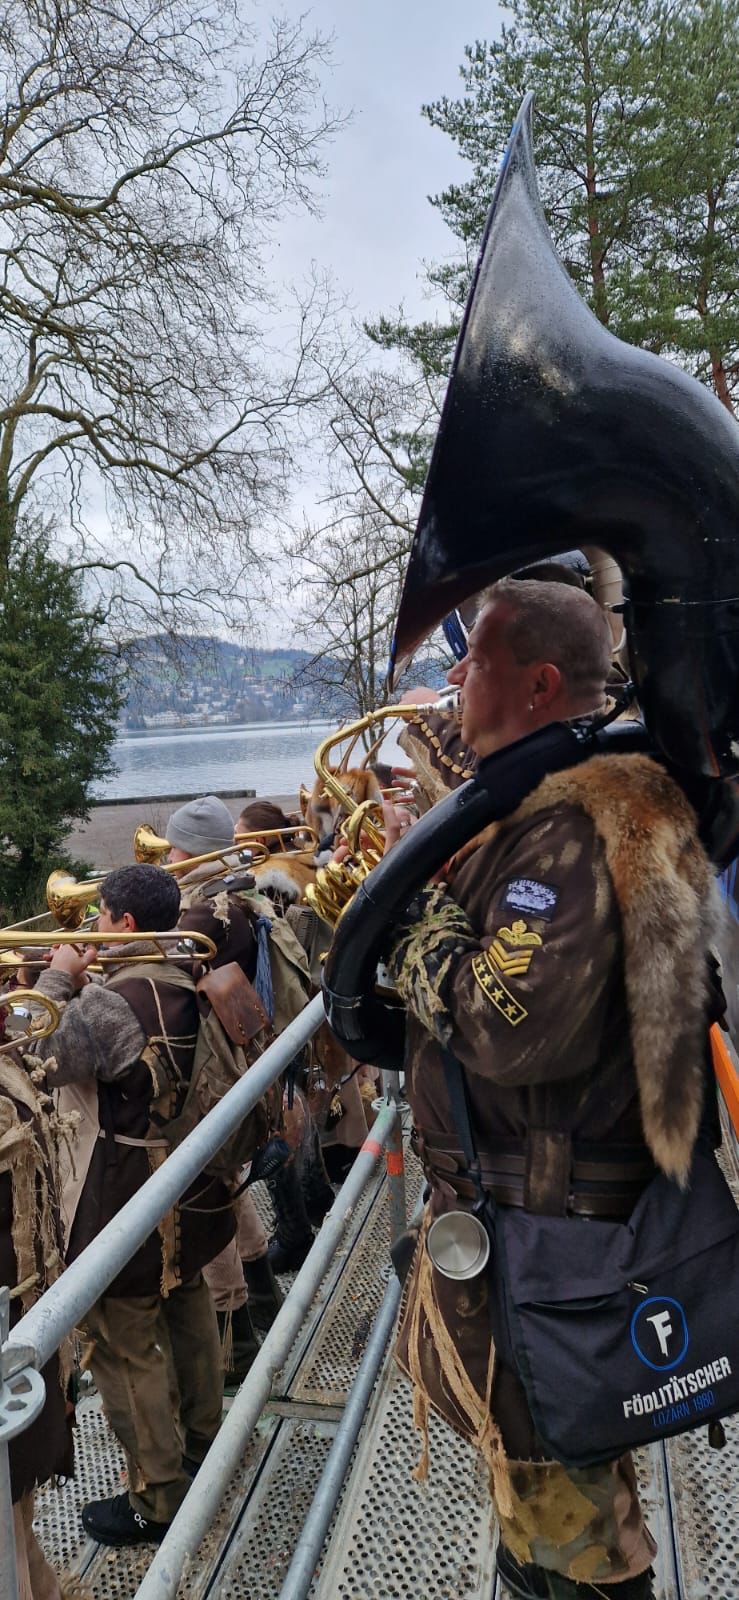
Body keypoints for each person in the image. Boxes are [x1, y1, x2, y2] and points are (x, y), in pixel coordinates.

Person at [384, 578, 718, 1600]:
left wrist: (415, 922)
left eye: (475, 657)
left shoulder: (569, 830)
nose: (455, 674)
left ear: (535, 684)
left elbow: (504, 1023)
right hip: (543, 1235)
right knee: (561, 1504)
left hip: (546, 1248)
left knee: (574, 1549)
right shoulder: (552, 807)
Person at [31, 864, 233, 1547]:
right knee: (188, 1304)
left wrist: (55, 981)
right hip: (191, 1184)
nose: (91, 926)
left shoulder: (111, 1003)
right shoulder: (185, 968)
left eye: (99, 916)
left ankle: (159, 1497)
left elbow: (39, 1057)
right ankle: (205, 1441)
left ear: (122, 923)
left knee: (122, 1346)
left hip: (124, 1196)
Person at [167, 796, 319, 1277]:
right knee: (278, 1132)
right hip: (260, 1030)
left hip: (240, 1044)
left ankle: (293, 1236)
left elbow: (170, 966)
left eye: (173, 850)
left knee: (266, 1142)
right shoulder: (235, 887)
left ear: (194, 851)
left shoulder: (207, 910)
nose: (167, 858)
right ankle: (302, 1219)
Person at [1, 1025, 74, 1598]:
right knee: (17, 1524)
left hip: (17, 1335)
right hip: (28, 1327)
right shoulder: (10, 1071)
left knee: (12, 1531)